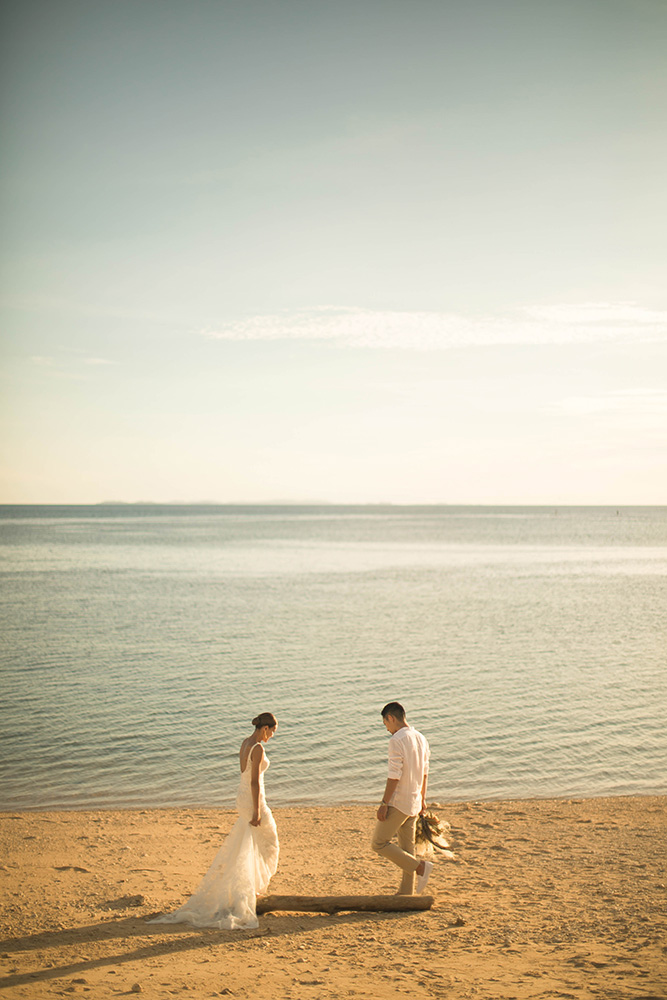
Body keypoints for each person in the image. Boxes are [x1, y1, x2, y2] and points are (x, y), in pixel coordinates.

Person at [150, 712, 279, 930]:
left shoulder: (245, 743)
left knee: (248, 843)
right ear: (265, 728)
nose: (272, 737)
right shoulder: (257, 748)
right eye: (272, 732)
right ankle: (251, 890)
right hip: (254, 799)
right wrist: (257, 811)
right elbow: (255, 782)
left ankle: (250, 889)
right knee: (270, 842)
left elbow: (243, 774)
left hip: (242, 797)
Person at [371, 702, 433, 894]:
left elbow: (394, 775)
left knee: (379, 843)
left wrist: (384, 803)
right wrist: (423, 799)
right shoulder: (421, 738)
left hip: (399, 802)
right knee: (407, 850)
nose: (387, 729)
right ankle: (406, 892)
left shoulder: (397, 740)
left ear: (391, 718)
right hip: (414, 801)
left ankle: (421, 868)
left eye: (385, 724)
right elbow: (424, 773)